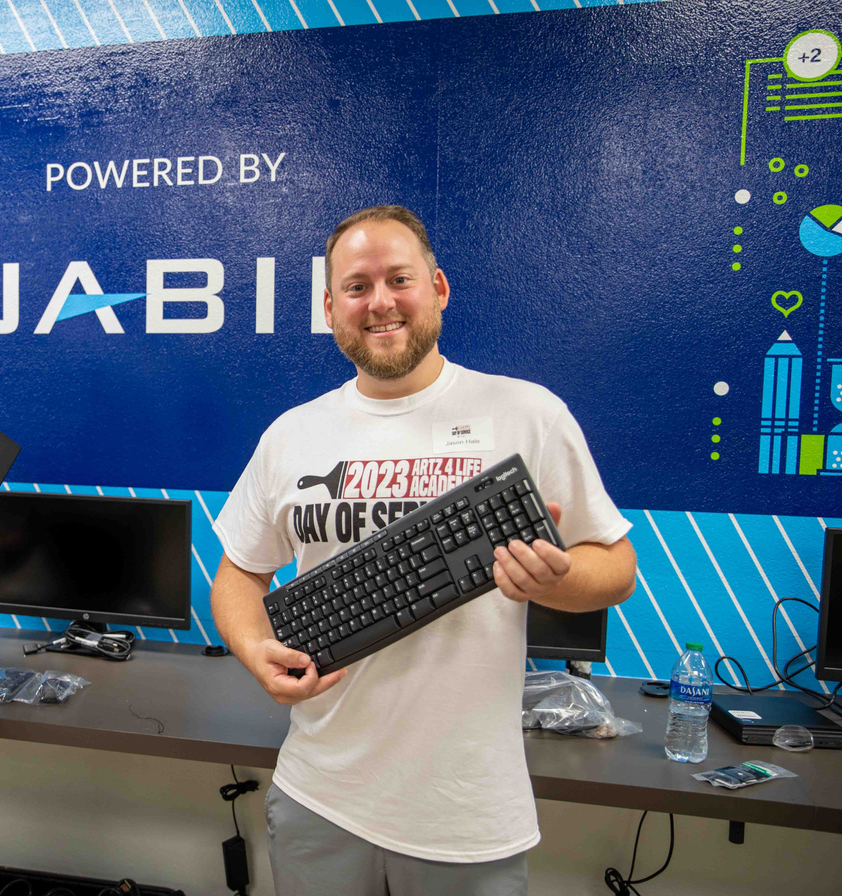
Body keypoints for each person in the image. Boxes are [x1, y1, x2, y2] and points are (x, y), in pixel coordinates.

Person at [210, 205, 636, 896]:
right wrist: (254, 647)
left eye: (399, 279)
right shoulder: (291, 435)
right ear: (330, 308)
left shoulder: (528, 414)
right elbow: (238, 572)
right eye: (356, 286)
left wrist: (552, 580)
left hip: (466, 811)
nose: (379, 302)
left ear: (438, 288)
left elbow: (616, 568)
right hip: (319, 794)